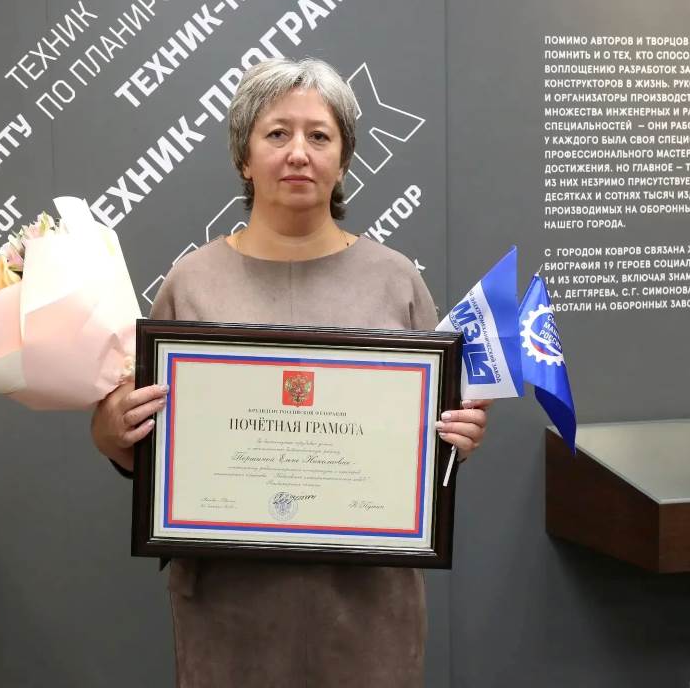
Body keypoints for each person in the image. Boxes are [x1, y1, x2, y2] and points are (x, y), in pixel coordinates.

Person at [91, 57, 489, 688]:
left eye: (319, 135)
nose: (298, 152)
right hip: (229, 611)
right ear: (243, 158)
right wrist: (114, 430)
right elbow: (143, 447)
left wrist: (454, 443)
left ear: (343, 159)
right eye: (277, 133)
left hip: (366, 612)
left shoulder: (396, 281)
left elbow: (424, 452)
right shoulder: (191, 282)